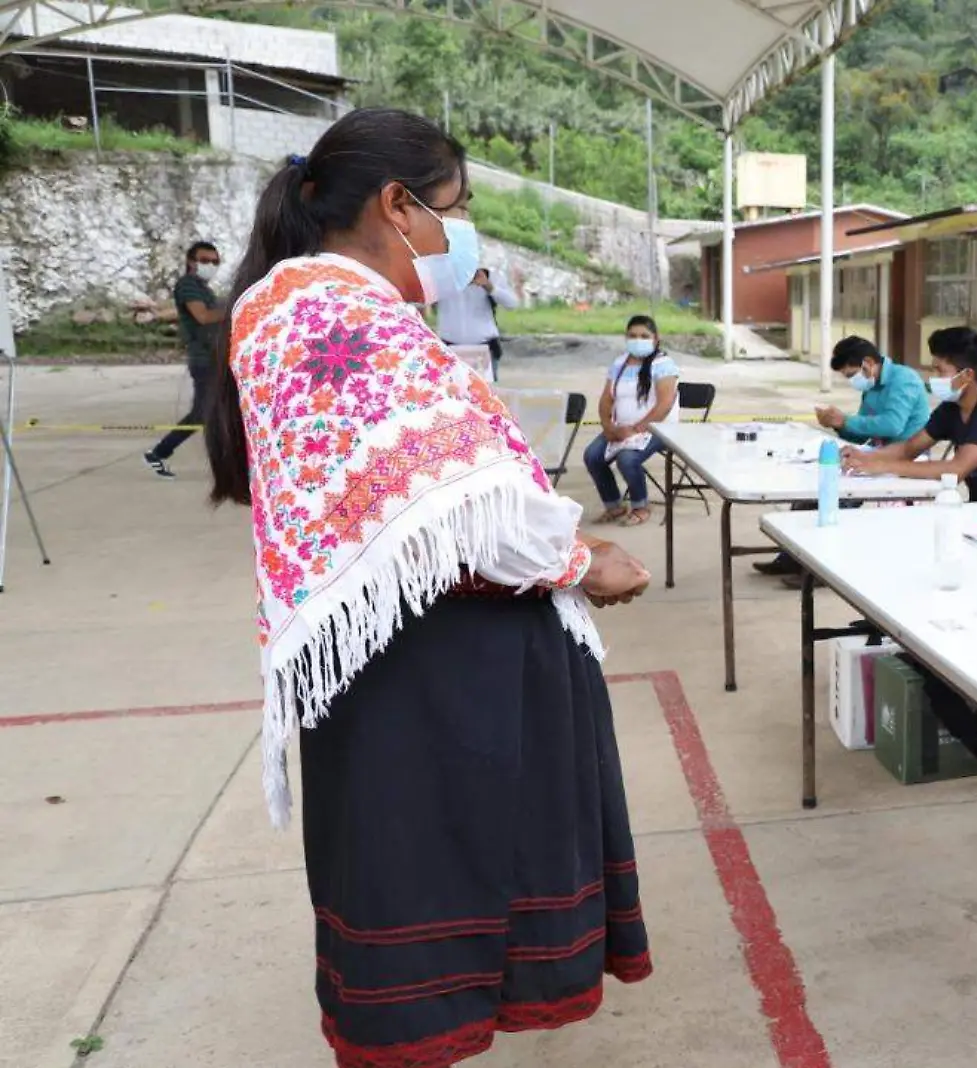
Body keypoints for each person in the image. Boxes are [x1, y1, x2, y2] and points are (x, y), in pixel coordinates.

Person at [201, 111, 654, 1068]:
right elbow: (451, 512)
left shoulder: (282, 304)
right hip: (437, 682)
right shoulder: (336, 307)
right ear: (396, 206)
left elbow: (420, 487)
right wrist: (581, 563)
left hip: (403, 670)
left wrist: (550, 536)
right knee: (439, 900)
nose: (458, 240)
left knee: (413, 891)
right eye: (454, 213)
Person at [755, 335, 932, 580]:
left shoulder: (905, 380)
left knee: (839, 494)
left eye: (851, 375)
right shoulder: (871, 386)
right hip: (877, 455)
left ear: (868, 364)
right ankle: (791, 558)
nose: (852, 382)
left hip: (907, 458)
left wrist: (846, 420)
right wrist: (837, 425)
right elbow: (864, 434)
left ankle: (820, 570)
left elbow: (892, 425)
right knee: (816, 486)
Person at [842, 326, 977, 517]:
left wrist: (883, 465)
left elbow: (956, 470)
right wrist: (867, 456)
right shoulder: (952, 407)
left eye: (940, 370)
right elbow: (909, 448)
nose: (933, 377)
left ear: (967, 375)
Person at [582, 315, 679, 526]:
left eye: (644, 336)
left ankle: (640, 506)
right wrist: (608, 426)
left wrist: (636, 429)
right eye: (633, 336)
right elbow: (606, 398)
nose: (638, 340)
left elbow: (664, 404)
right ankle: (614, 507)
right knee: (592, 456)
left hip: (656, 429)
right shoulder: (619, 363)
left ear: (656, 338)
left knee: (627, 458)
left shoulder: (663, 364)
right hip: (621, 427)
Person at [143, 241, 223, 479]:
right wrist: (236, 307)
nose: (211, 265)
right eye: (205, 260)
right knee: (206, 414)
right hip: (204, 360)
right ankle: (160, 452)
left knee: (206, 413)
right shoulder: (188, 285)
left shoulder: (202, 287)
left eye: (215, 262)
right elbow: (203, 316)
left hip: (213, 358)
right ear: (191, 262)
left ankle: (159, 453)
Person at [433, 263, 519, 380]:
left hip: (483, 348)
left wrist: (489, 286)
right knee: (451, 394)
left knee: (485, 395)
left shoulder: (490, 274)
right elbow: (418, 300)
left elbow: (512, 303)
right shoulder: (439, 275)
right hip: (450, 348)